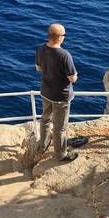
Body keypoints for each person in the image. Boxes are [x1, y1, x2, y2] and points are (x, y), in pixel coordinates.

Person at [35, 23, 78, 161]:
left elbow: (38, 68)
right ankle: (61, 154)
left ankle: (43, 144)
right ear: (59, 37)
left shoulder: (41, 49)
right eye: (64, 35)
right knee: (60, 127)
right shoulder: (64, 55)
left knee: (45, 120)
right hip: (61, 97)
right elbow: (72, 78)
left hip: (46, 92)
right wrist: (75, 75)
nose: (64, 37)